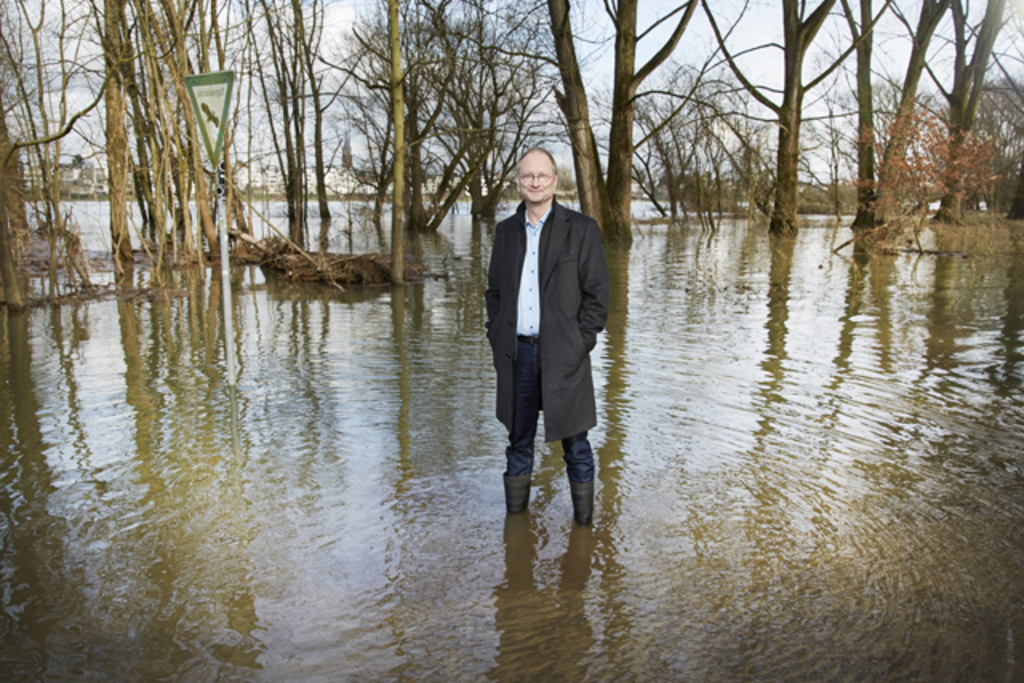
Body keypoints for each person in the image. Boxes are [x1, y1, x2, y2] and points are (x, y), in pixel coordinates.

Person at [485, 147, 610, 525]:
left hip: (564, 357)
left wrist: (578, 342)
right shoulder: (506, 232)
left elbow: (597, 297)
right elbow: (494, 293)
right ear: (518, 181)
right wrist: (496, 336)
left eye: (542, 175)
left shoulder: (582, 229)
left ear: (555, 180)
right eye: (527, 176)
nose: (534, 182)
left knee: (577, 446)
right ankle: (516, 533)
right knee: (518, 445)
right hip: (516, 356)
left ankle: (584, 527)